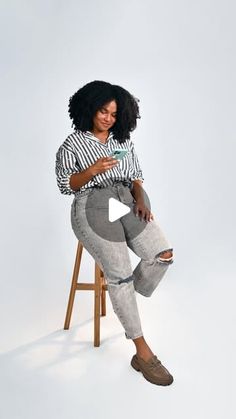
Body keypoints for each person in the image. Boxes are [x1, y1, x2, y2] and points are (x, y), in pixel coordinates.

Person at [55, 80, 175, 386]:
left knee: (162, 254)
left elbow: (136, 179)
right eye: (102, 110)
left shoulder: (124, 141)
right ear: (89, 108)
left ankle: (120, 290)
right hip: (91, 205)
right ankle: (142, 351)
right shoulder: (72, 144)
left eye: (114, 112)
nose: (108, 117)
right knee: (118, 275)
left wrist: (143, 200)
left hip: (124, 201)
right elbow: (66, 185)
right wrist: (93, 169)